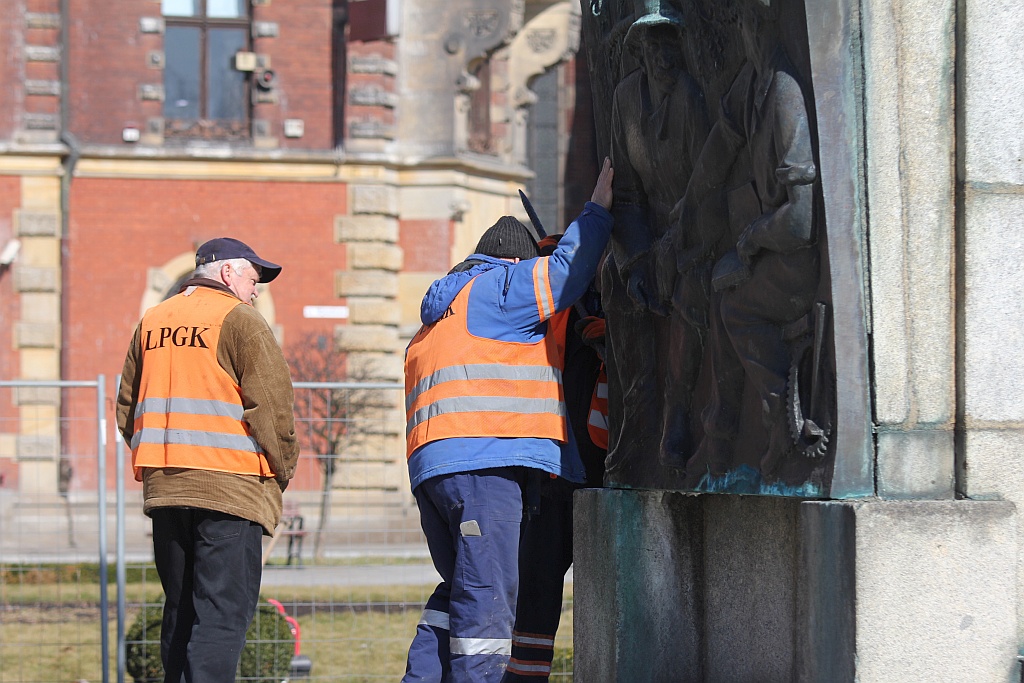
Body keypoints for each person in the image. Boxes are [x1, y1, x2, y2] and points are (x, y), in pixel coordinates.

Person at [402, 158, 614, 682]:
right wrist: (599, 209)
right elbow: (565, 272)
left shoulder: (442, 309)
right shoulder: (500, 291)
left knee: (457, 591)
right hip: (486, 466)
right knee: (487, 600)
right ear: (514, 265)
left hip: (438, 472)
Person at [115, 237, 298, 683]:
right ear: (229, 272)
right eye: (254, 280)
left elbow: (126, 408)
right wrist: (281, 471)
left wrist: (163, 460)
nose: (256, 291)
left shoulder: (152, 321)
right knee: (221, 616)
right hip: (228, 491)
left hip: (166, 491)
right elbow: (272, 409)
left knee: (180, 610)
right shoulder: (239, 321)